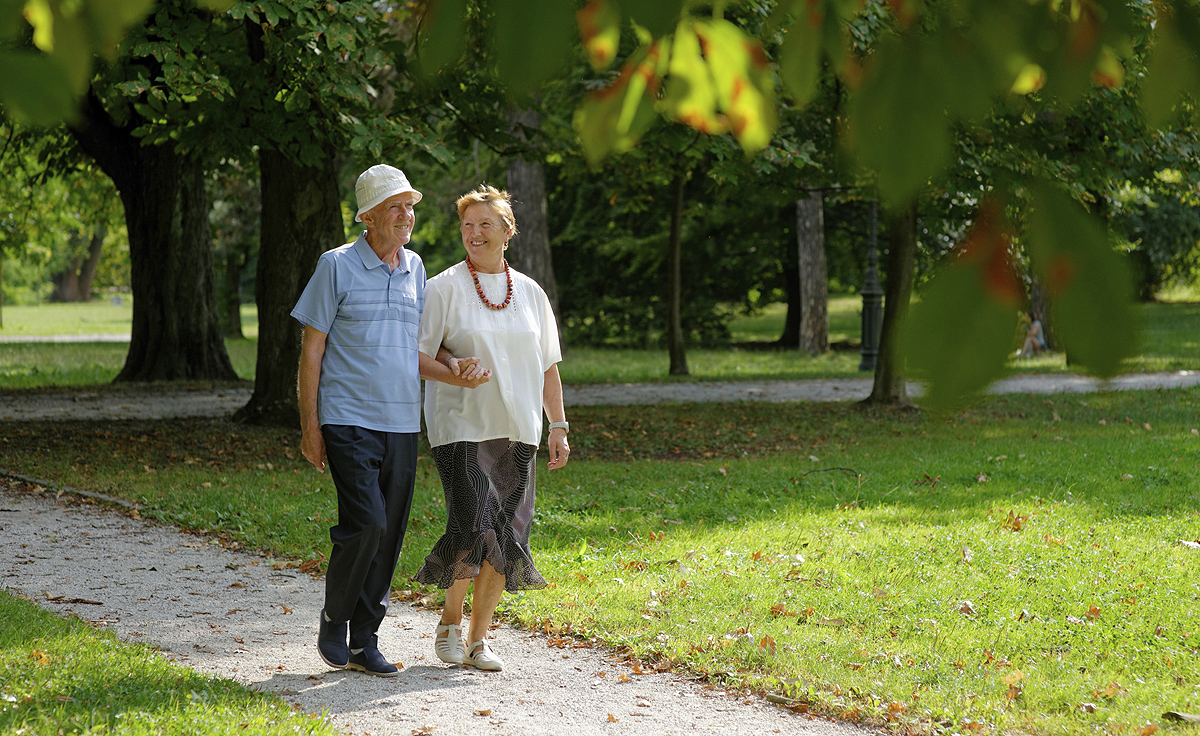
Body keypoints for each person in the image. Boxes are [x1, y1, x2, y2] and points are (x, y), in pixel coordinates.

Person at [292, 165, 487, 678]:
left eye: (410, 206)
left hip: (402, 420)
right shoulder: (334, 266)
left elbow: (420, 343)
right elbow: (312, 351)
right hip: (347, 417)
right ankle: (335, 618)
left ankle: (365, 640)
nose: (408, 216)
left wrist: (453, 366)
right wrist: (311, 427)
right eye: (396, 207)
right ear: (368, 217)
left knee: (391, 531)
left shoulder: (415, 268)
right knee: (368, 523)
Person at [415, 184, 570, 672]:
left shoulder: (530, 292)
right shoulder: (443, 287)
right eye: (467, 225)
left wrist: (558, 426)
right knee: (472, 522)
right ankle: (450, 623)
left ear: (507, 232)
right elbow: (418, 354)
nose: (474, 233)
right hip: (460, 424)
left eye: (485, 225)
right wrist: (454, 364)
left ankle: (479, 640)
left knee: (508, 535)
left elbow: (548, 366)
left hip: (519, 428)